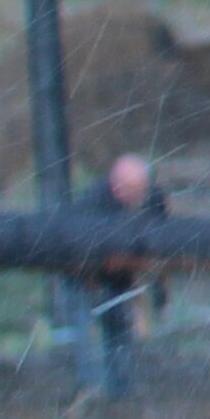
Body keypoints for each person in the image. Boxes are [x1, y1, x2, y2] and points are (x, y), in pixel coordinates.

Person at [82, 152, 166, 377]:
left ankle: (140, 372)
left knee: (149, 313)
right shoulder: (93, 201)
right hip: (100, 276)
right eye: (131, 191)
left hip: (139, 271)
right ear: (116, 185)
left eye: (141, 190)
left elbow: (163, 234)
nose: (139, 197)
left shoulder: (153, 197)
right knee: (110, 320)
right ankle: (108, 381)